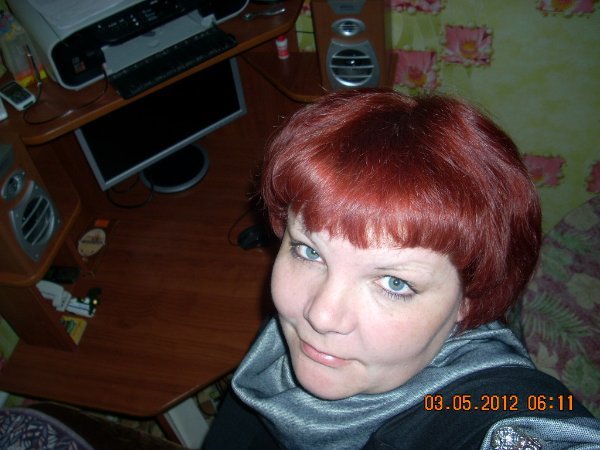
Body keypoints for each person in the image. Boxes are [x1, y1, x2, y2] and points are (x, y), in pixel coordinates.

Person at [203, 89, 600, 449]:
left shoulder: (488, 411)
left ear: (468, 299)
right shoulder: (300, 336)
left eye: (394, 282)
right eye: (310, 252)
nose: (320, 315)